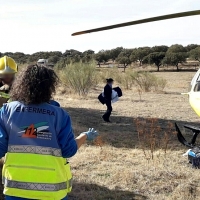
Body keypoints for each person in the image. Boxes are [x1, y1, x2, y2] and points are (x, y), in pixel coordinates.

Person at [0, 65, 99, 200]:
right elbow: (68, 151)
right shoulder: (60, 115)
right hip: (53, 190)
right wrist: (84, 136)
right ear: (50, 87)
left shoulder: (7, 111)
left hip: (16, 190)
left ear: (21, 84)